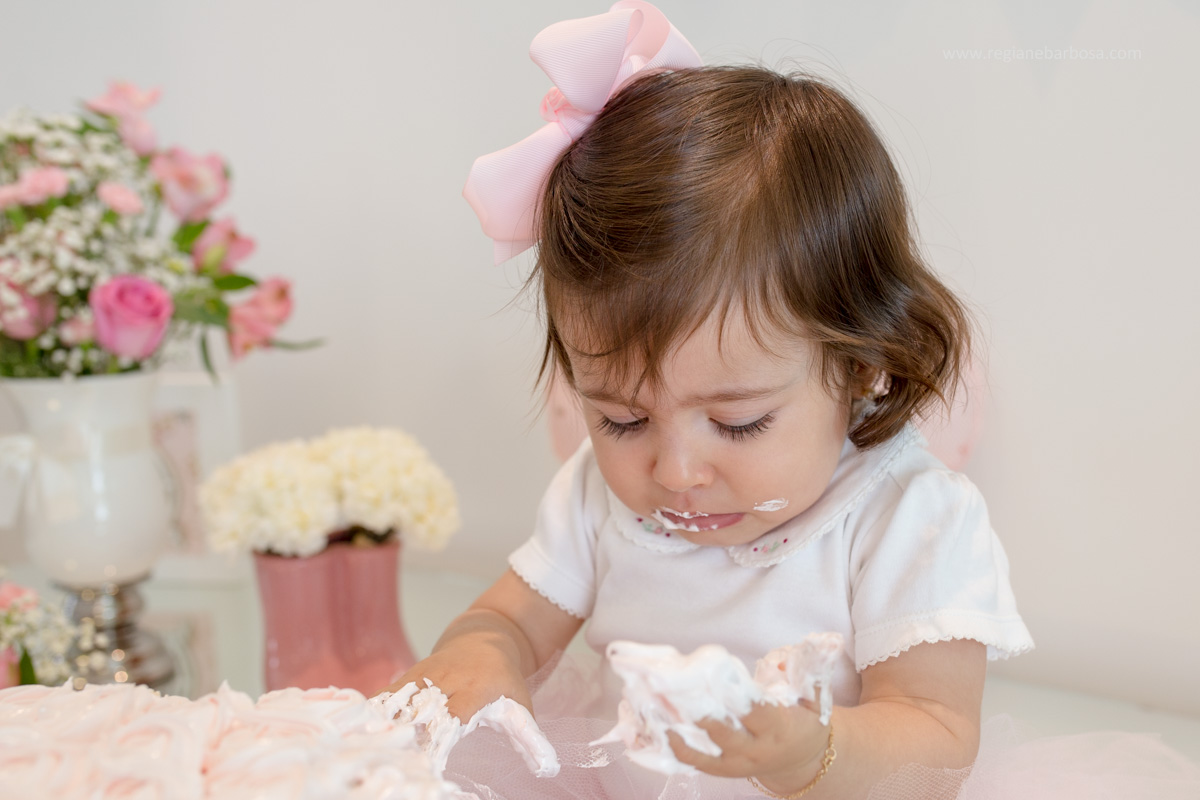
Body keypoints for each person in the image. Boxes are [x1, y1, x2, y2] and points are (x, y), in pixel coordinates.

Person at [384, 4, 1197, 799]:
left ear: (860, 366)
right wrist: (482, 651)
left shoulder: (907, 521)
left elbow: (937, 737)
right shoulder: (597, 499)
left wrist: (812, 751)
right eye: (621, 418)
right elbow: (511, 623)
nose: (674, 470)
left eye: (739, 421)